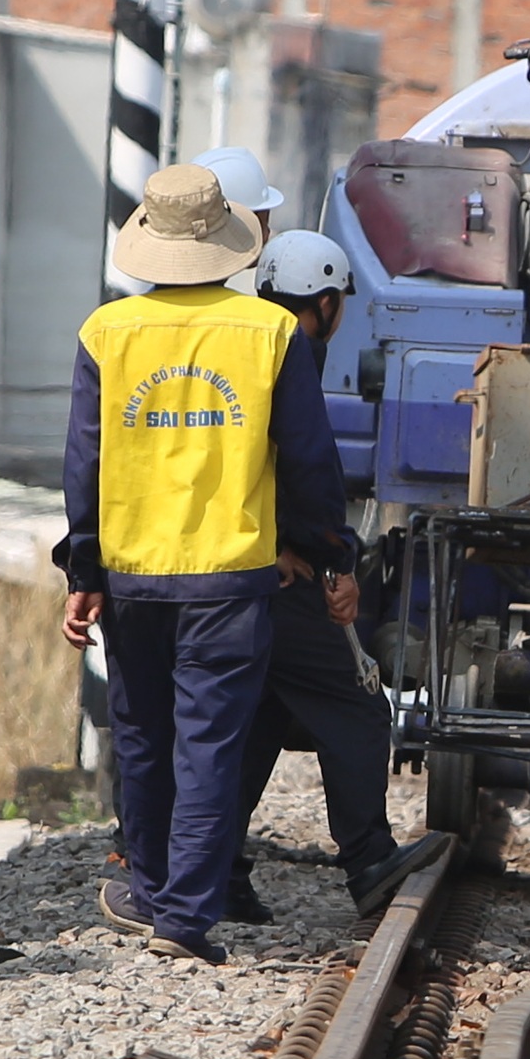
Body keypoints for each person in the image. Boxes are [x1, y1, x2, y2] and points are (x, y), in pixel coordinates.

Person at [59, 163, 346, 962]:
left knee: (143, 737)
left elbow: (84, 462)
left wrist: (82, 574)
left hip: (132, 574)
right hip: (229, 578)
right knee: (210, 742)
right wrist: (333, 557)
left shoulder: (104, 334)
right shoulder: (271, 334)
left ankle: (151, 894)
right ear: (229, 242)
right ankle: (185, 919)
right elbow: (309, 463)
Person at [200, 232, 442, 926]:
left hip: (227, 564)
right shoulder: (293, 354)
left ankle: (218, 873)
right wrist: (334, 556)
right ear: (329, 302)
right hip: (278, 576)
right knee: (359, 709)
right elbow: (306, 469)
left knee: (263, 718)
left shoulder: (238, 343)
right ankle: (368, 860)